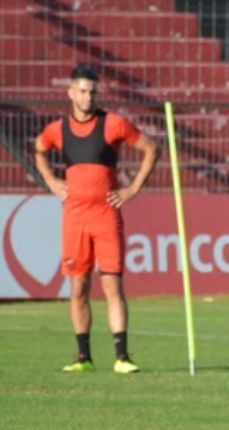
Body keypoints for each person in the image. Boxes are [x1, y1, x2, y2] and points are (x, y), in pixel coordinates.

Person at [34, 65, 158, 374]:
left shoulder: (113, 123)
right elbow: (38, 149)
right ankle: (83, 357)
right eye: (83, 91)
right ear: (71, 93)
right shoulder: (58, 130)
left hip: (106, 216)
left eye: (92, 92)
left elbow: (151, 148)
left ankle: (122, 357)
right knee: (78, 287)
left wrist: (132, 189)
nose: (88, 97)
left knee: (112, 284)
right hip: (75, 219)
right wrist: (51, 181)